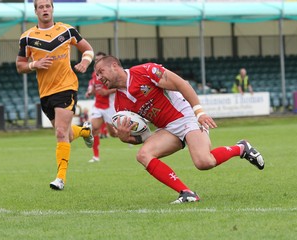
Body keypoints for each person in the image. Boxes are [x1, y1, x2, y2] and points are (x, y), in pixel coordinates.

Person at [94, 56, 265, 204]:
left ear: (114, 66)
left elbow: (182, 84)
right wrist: (125, 138)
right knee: (143, 154)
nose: (99, 77)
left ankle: (241, 148)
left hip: (187, 116)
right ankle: (187, 193)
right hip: (167, 129)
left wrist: (199, 112)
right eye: (97, 75)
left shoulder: (145, 71)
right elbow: (143, 137)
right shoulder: (120, 105)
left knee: (204, 162)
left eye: (101, 72)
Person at [16, 0, 95, 191]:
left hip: (66, 86)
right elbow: (20, 66)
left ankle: (60, 178)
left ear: (52, 9)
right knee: (66, 133)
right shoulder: (27, 38)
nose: (45, 9)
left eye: (47, 6)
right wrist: (35, 64)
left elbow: (88, 49)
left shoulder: (67, 31)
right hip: (45, 92)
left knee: (59, 133)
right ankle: (85, 131)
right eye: (41, 7)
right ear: (35, 11)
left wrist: (85, 63)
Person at [85, 52, 117, 163]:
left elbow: (119, 88)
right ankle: (96, 156)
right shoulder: (95, 74)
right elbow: (92, 84)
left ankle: (134, 135)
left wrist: (106, 92)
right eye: (96, 60)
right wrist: (90, 91)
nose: (97, 61)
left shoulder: (111, 74)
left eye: (100, 59)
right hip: (98, 106)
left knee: (113, 134)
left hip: (110, 107)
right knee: (93, 129)